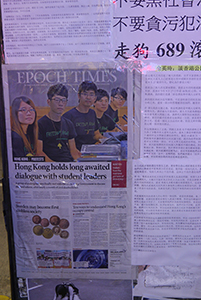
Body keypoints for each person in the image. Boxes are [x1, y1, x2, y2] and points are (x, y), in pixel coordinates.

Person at [37, 84, 81, 162]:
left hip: (68, 164)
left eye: (63, 100)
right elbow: (39, 153)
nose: (61, 104)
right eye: (57, 100)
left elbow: (73, 150)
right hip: (50, 166)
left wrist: (78, 165)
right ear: (48, 102)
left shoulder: (69, 123)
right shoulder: (40, 124)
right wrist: (56, 167)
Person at [63, 81, 102, 151]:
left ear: (95, 98)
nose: (88, 97)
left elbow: (96, 134)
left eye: (91, 94)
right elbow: (64, 142)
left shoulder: (92, 113)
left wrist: (107, 141)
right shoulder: (68, 116)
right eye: (85, 94)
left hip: (92, 152)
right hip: (76, 154)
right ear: (79, 96)